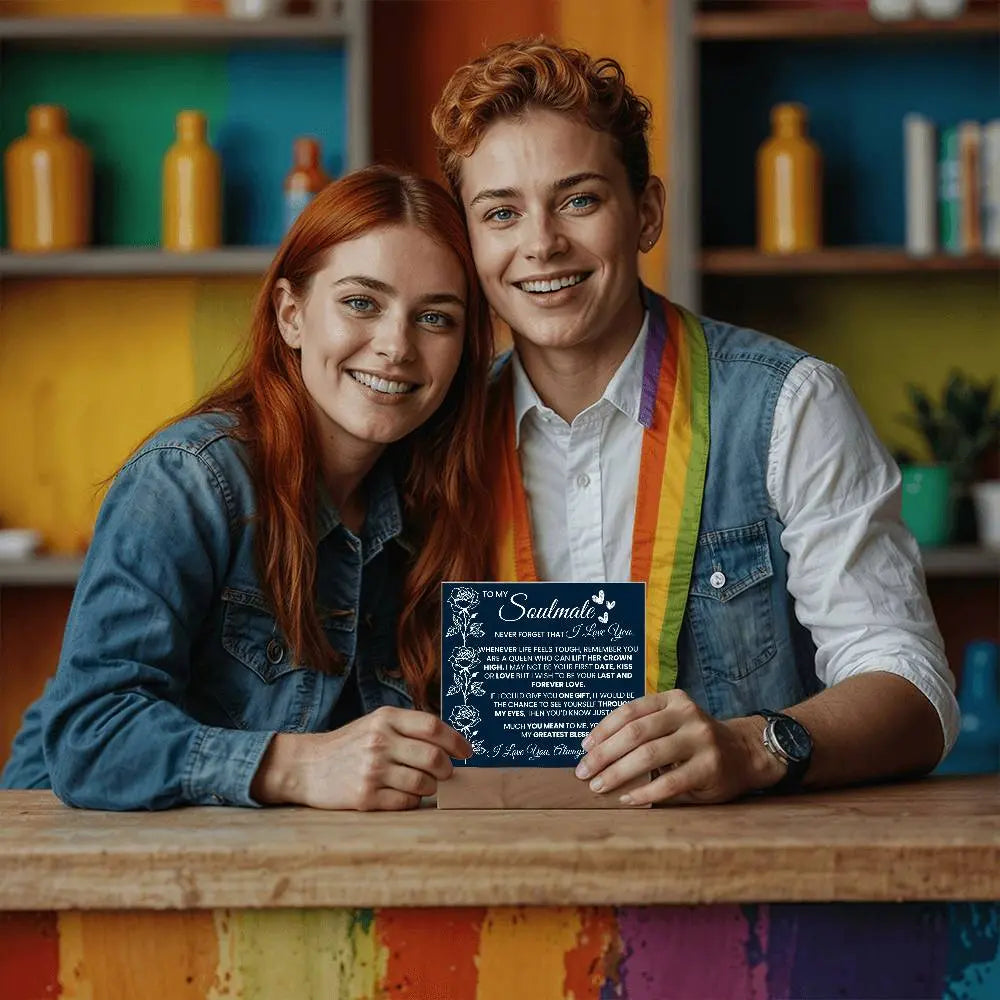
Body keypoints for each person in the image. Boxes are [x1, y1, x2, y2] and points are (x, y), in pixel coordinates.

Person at [431, 39, 958, 807]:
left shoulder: (791, 405)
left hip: (748, 888)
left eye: (579, 199)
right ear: (470, 241)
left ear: (646, 212)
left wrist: (754, 745)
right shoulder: (435, 433)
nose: (540, 243)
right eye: (502, 212)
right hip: (507, 879)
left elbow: (914, 690)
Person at [0, 166, 494, 811]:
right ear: (292, 314)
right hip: (76, 860)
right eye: (361, 303)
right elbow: (89, 737)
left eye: (435, 318)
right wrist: (301, 766)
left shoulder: (437, 495)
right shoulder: (189, 476)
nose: (396, 346)